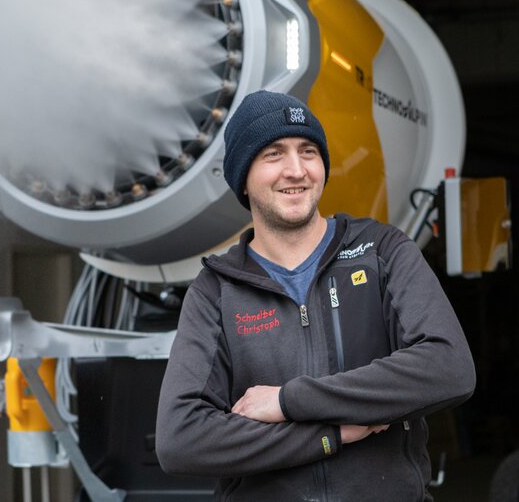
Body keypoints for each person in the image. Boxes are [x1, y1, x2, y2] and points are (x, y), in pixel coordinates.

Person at [155, 90, 475, 501]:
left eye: (308, 151)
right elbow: (181, 438)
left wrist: (290, 401)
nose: (296, 170)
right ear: (243, 178)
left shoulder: (381, 252)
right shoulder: (218, 289)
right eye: (273, 154)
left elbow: (448, 367)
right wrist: (330, 435)